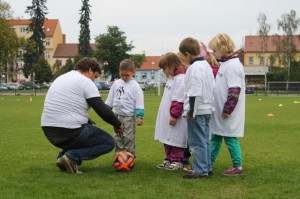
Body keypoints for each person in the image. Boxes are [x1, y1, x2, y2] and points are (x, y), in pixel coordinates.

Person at [41, 57, 123, 174]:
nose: (93, 81)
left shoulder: (62, 78)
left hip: (48, 130)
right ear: (90, 70)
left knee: (90, 125)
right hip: (69, 131)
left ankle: (62, 157)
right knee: (108, 142)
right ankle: (71, 157)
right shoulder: (85, 81)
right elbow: (101, 109)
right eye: (94, 76)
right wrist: (117, 124)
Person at [208, 33, 246, 176]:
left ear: (222, 48)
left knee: (230, 137)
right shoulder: (225, 64)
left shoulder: (233, 67)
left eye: (215, 50)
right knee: (216, 137)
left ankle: (238, 166)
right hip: (220, 112)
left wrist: (228, 110)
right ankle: (207, 163)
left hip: (226, 113)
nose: (213, 53)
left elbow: (234, 90)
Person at [179, 37, 215, 179]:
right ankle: (207, 167)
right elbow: (213, 87)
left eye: (182, 55)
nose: (182, 58)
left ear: (187, 54)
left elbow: (195, 91)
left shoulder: (194, 69)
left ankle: (200, 171)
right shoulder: (207, 66)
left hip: (197, 110)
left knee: (197, 142)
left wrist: (191, 112)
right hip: (207, 109)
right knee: (205, 139)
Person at [154, 52, 187, 170]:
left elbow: (179, 99)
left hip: (175, 117)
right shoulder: (171, 78)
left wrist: (174, 115)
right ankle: (169, 158)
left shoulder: (181, 79)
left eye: (164, 68)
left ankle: (178, 159)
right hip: (166, 115)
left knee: (176, 138)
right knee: (167, 137)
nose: (163, 71)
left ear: (172, 66)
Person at [105, 59, 144, 156]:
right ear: (119, 72)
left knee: (128, 137)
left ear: (133, 72)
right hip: (116, 115)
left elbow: (139, 102)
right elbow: (110, 98)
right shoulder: (116, 83)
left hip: (128, 117)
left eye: (126, 75)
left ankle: (129, 156)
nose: (124, 77)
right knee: (117, 137)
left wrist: (139, 116)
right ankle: (119, 156)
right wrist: (106, 109)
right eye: (122, 74)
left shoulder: (135, 86)